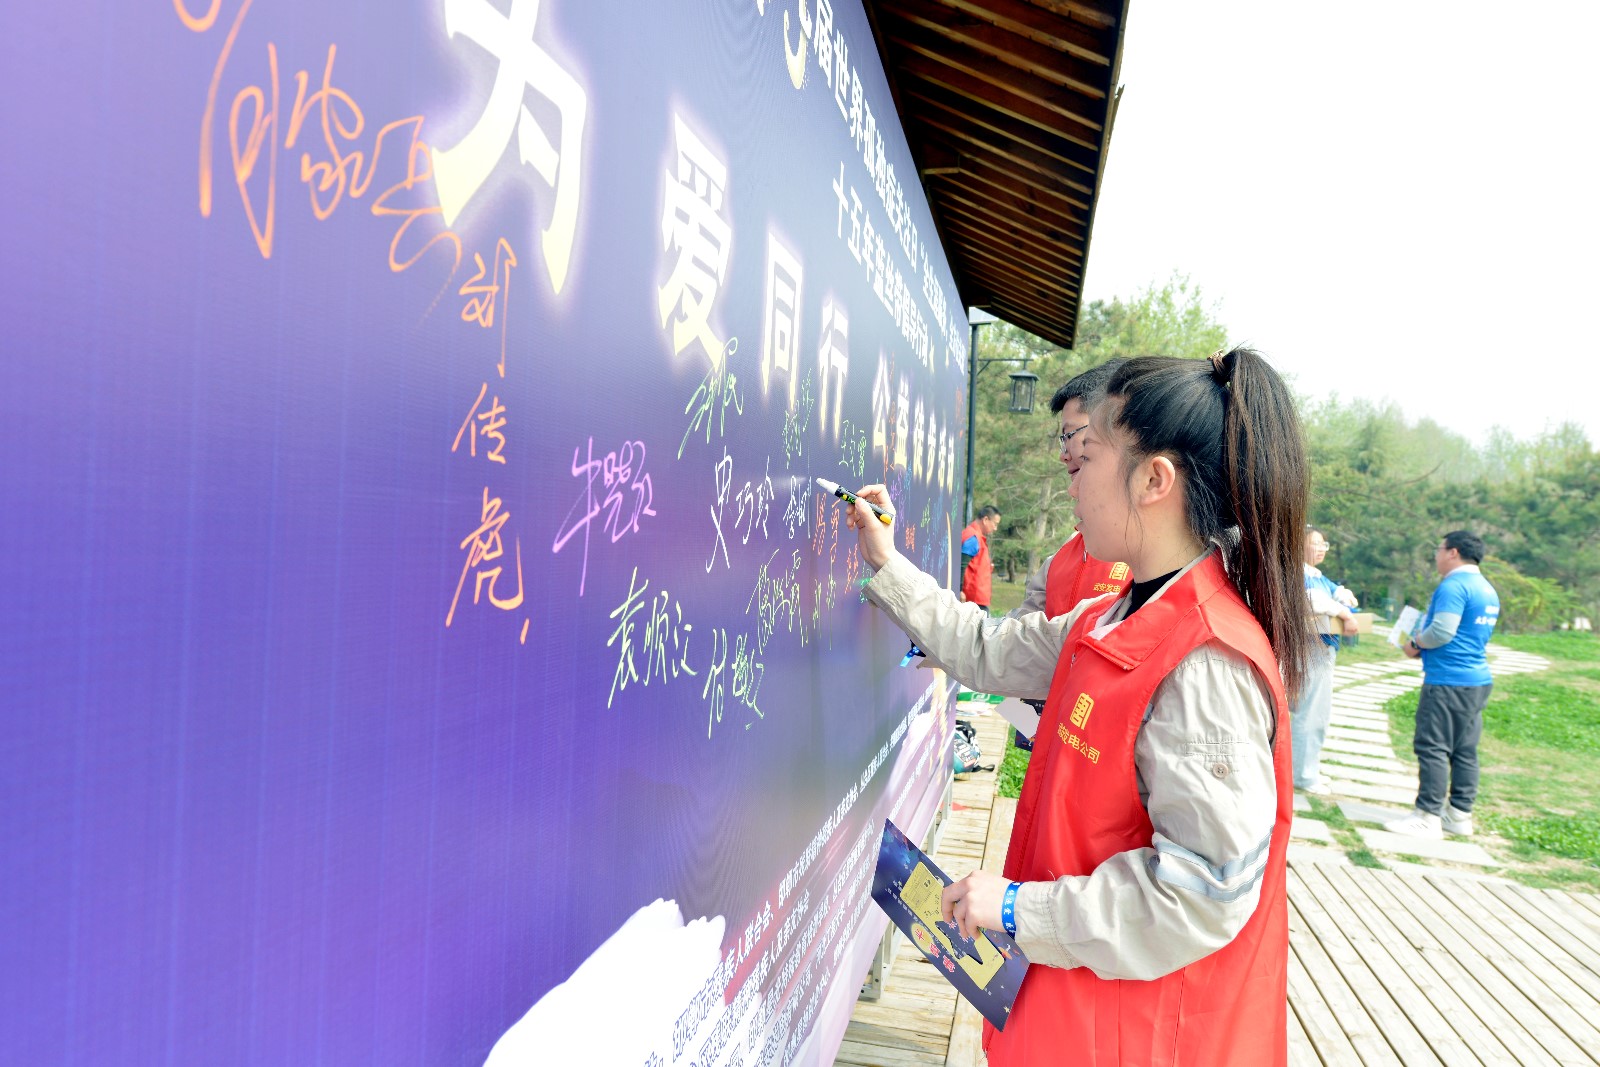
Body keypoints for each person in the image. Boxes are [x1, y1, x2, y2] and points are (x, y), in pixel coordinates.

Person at [844, 347, 1312, 1065]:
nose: (1072, 483)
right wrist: (886, 560)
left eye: (1085, 459)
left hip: (1138, 1037)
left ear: (1154, 479)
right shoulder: (1108, 619)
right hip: (1074, 1014)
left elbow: (1199, 895)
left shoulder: (1206, 664)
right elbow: (986, 649)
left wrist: (1013, 908)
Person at [1386, 531, 1500, 839]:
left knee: (1432, 746)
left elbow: (1442, 631)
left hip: (1448, 680)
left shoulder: (1454, 585)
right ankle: (1459, 816)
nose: (1436, 556)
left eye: (1439, 549)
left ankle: (1427, 816)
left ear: (1453, 552)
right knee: (1464, 750)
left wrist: (1415, 644)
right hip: (1476, 680)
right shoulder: (1486, 588)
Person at [1007, 360, 1131, 622]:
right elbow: (1020, 636)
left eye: (1069, 436)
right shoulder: (1061, 558)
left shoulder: (1158, 564)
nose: (1063, 456)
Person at [1293, 526, 1360, 794]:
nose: (1321, 549)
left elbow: (1338, 594)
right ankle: (1303, 776)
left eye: (1324, 544)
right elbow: (1312, 600)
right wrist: (1344, 612)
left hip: (1321, 649)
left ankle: (1306, 769)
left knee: (1316, 712)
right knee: (1310, 713)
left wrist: (1343, 599)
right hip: (1311, 649)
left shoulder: (1317, 576)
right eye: (1316, 543)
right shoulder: (1296, 573)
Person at [958, 506, 1001, 611]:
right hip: (973, 600)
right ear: (985, 520)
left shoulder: (975, 536)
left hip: (977, 599)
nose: (995, 528)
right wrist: (959, 590)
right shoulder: (973, 538)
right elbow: (962, 565)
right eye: (995, 524)